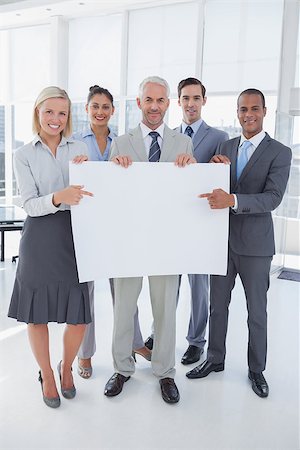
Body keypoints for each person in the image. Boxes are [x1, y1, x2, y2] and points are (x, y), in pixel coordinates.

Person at [186, 88, 292, 398]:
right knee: (218, 307)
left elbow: (272, 198)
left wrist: (231, 199)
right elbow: (212, 187)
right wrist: (215, 172)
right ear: (237, 111)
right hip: (221, 243)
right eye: (243, 108)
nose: (249, 114)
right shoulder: (226, 146)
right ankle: (215, 359)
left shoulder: (280, 152)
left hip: (256, 248)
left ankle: (256, 369)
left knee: (256, 311)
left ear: (264, 111)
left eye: (254, 108)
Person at [104, 76, 195, 404]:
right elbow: (112, 194)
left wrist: (192, 168)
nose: (154, 106)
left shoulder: (182, 144)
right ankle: (122, 367)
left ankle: (165, 372)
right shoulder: (121, 142)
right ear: (139, 103)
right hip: (129, 240)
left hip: (166, 242)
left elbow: (189, 194)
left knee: (165, 309)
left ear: (168, 103)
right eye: (148, 100)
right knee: (124, 307)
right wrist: (114, 170)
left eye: (161, 100)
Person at [8, 86, 93, 408]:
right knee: (37, 316)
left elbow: (92, 193)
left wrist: (89, 173)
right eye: (49, 111)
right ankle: (46, 372)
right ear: (37, 113)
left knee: (79, 318)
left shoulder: (79, 148)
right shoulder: (23, 154)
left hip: (74, 237)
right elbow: (29, 204)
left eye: (62, 113)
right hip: (40, 238)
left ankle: (66, 366)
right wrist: (59, 197)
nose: (55, 119)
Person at [144, 77, 229, 366]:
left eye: (196, 98)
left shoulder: (219, 137)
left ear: (204, 101)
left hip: (200, 222)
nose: (191, 103)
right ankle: (158, 332)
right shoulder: (166, 135)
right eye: (185, 98)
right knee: (167, 282)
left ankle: (196, 341)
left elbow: (222, 179)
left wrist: (222, 168)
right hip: (170, 222)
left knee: (198, 286)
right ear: (177, 102)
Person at [73, 86, 151, 380]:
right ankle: (85, 354)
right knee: (86, 293)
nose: (100, 111)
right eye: (95, 106)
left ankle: (135, 343)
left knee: (125, 291)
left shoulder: (123, 142)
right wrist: (76, 166)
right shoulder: (75, 143)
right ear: (87, 108)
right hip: (88, 226)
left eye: (106, 106)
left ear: (113, 110)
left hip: (118, 226)